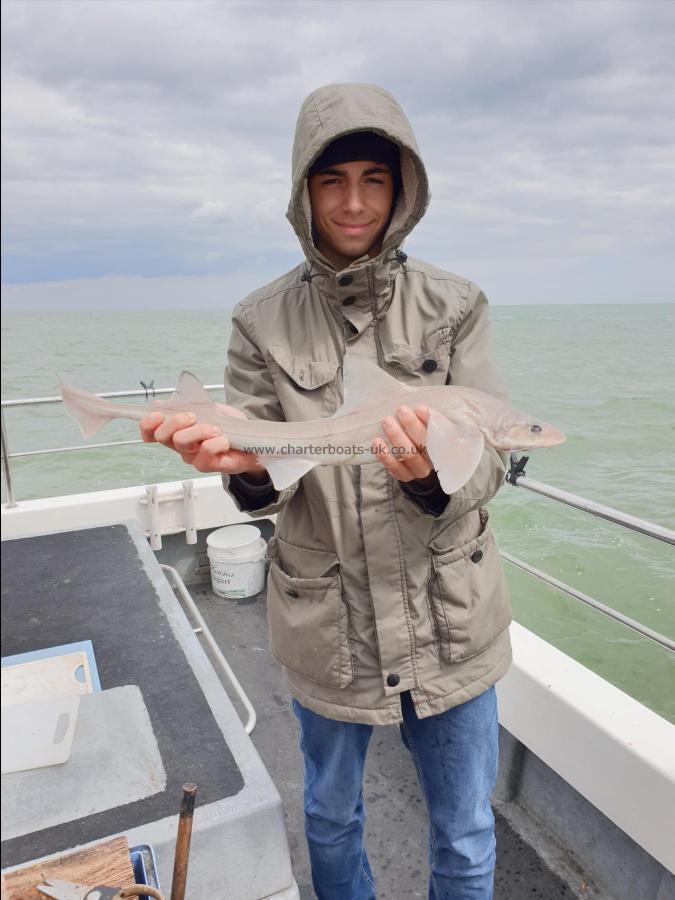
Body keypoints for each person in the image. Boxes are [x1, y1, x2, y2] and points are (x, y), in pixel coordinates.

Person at [141, 83, 512, 900]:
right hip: (326, 624)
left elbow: (487, 467)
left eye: (374, 180)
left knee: (467, 832)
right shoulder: (259, 321)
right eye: (331, 179)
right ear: (301, 191)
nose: (352, 201)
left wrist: (430, 480)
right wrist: (235, 464)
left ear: (402, 189)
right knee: (331, 817)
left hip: (449, 617)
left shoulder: (457, 305)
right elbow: (267, 484)